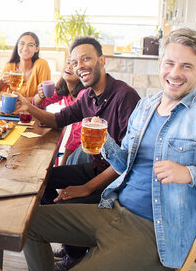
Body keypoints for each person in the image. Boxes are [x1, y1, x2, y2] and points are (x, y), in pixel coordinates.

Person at [23, 28, 196, 271]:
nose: (175, 73)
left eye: (186, 66)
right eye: (170, 63)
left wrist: (191, 174)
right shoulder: (146, 106)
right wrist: (106, 143)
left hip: (155, 231)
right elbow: (124, 163)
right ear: (160, 63)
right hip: (113, 208)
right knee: (27, 224)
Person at [16, 36, 140, 270]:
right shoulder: (88, 96)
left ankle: (74, 253)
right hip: (96, 168)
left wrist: (87, 187)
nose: (79, 66)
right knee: (43, 179)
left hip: (117, 182)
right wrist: (29, 107)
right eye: (74, 62)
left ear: (102, 60)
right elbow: (57, 119)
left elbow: (128, 161)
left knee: (62, 202)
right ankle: (74, 247)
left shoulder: (125, 96)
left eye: (86, 59)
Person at [33, 58, 86, 166]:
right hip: (77, 145)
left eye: (74, 64)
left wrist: (63, 164)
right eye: (68, 62)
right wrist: (40, 95)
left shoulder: (84, 94)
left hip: (87, 147)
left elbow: (77, 134)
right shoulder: (64, 89)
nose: (69, 66)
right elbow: (38, 104)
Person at [0, 32, 51, 100]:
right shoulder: (9, 67)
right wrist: (1, 82)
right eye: (22, 43)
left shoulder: (41, 64)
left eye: (30, 45)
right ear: (17, 46)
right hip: (11, 110)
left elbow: (45, 97)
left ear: (36, 49)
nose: (25, 48)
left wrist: (16, 99)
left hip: (34, 110)